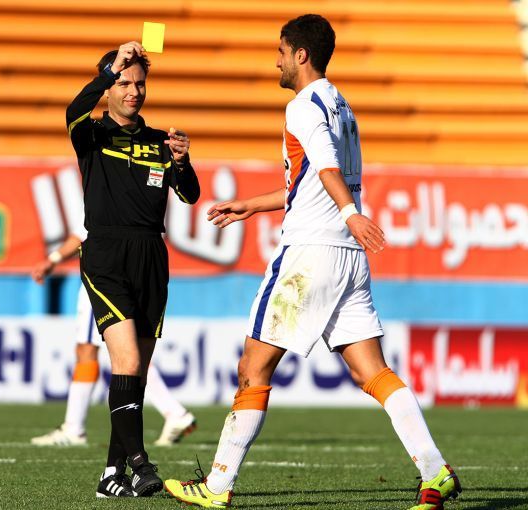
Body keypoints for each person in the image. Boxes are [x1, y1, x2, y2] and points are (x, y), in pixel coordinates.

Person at [163, 14, 461, 510]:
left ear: (300, 55)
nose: (276, 62)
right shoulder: (341, 104)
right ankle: (436, 471)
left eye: (281, 52)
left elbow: (325, 167)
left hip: (309, 255)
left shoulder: (302, 106)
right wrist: (252, 205)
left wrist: (350, 213)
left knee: (252, 369)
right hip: (347, 258)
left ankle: (216, 486)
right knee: (372, 372)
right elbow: (308, 181)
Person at [66, 41, 200, 498]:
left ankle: (111, 475)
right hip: (105, 254)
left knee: (135, 373)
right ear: (109, 87)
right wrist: (111, 68)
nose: (133, 91)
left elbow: (189, 194)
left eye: (140, 84)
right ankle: (141, 465)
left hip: (151, 256)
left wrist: (182, 162)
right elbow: (73, 109)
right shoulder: (91, 134)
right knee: (125, 361)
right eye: (124, 83)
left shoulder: (160, 140)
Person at [28, 229, 197, 448]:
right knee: (127, 351)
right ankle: (174, 412)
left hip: (104, 272)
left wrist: (53, 259)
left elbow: (83, 232)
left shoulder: (106, 204)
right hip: (136, 264)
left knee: (93, 349)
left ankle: (74, 428)